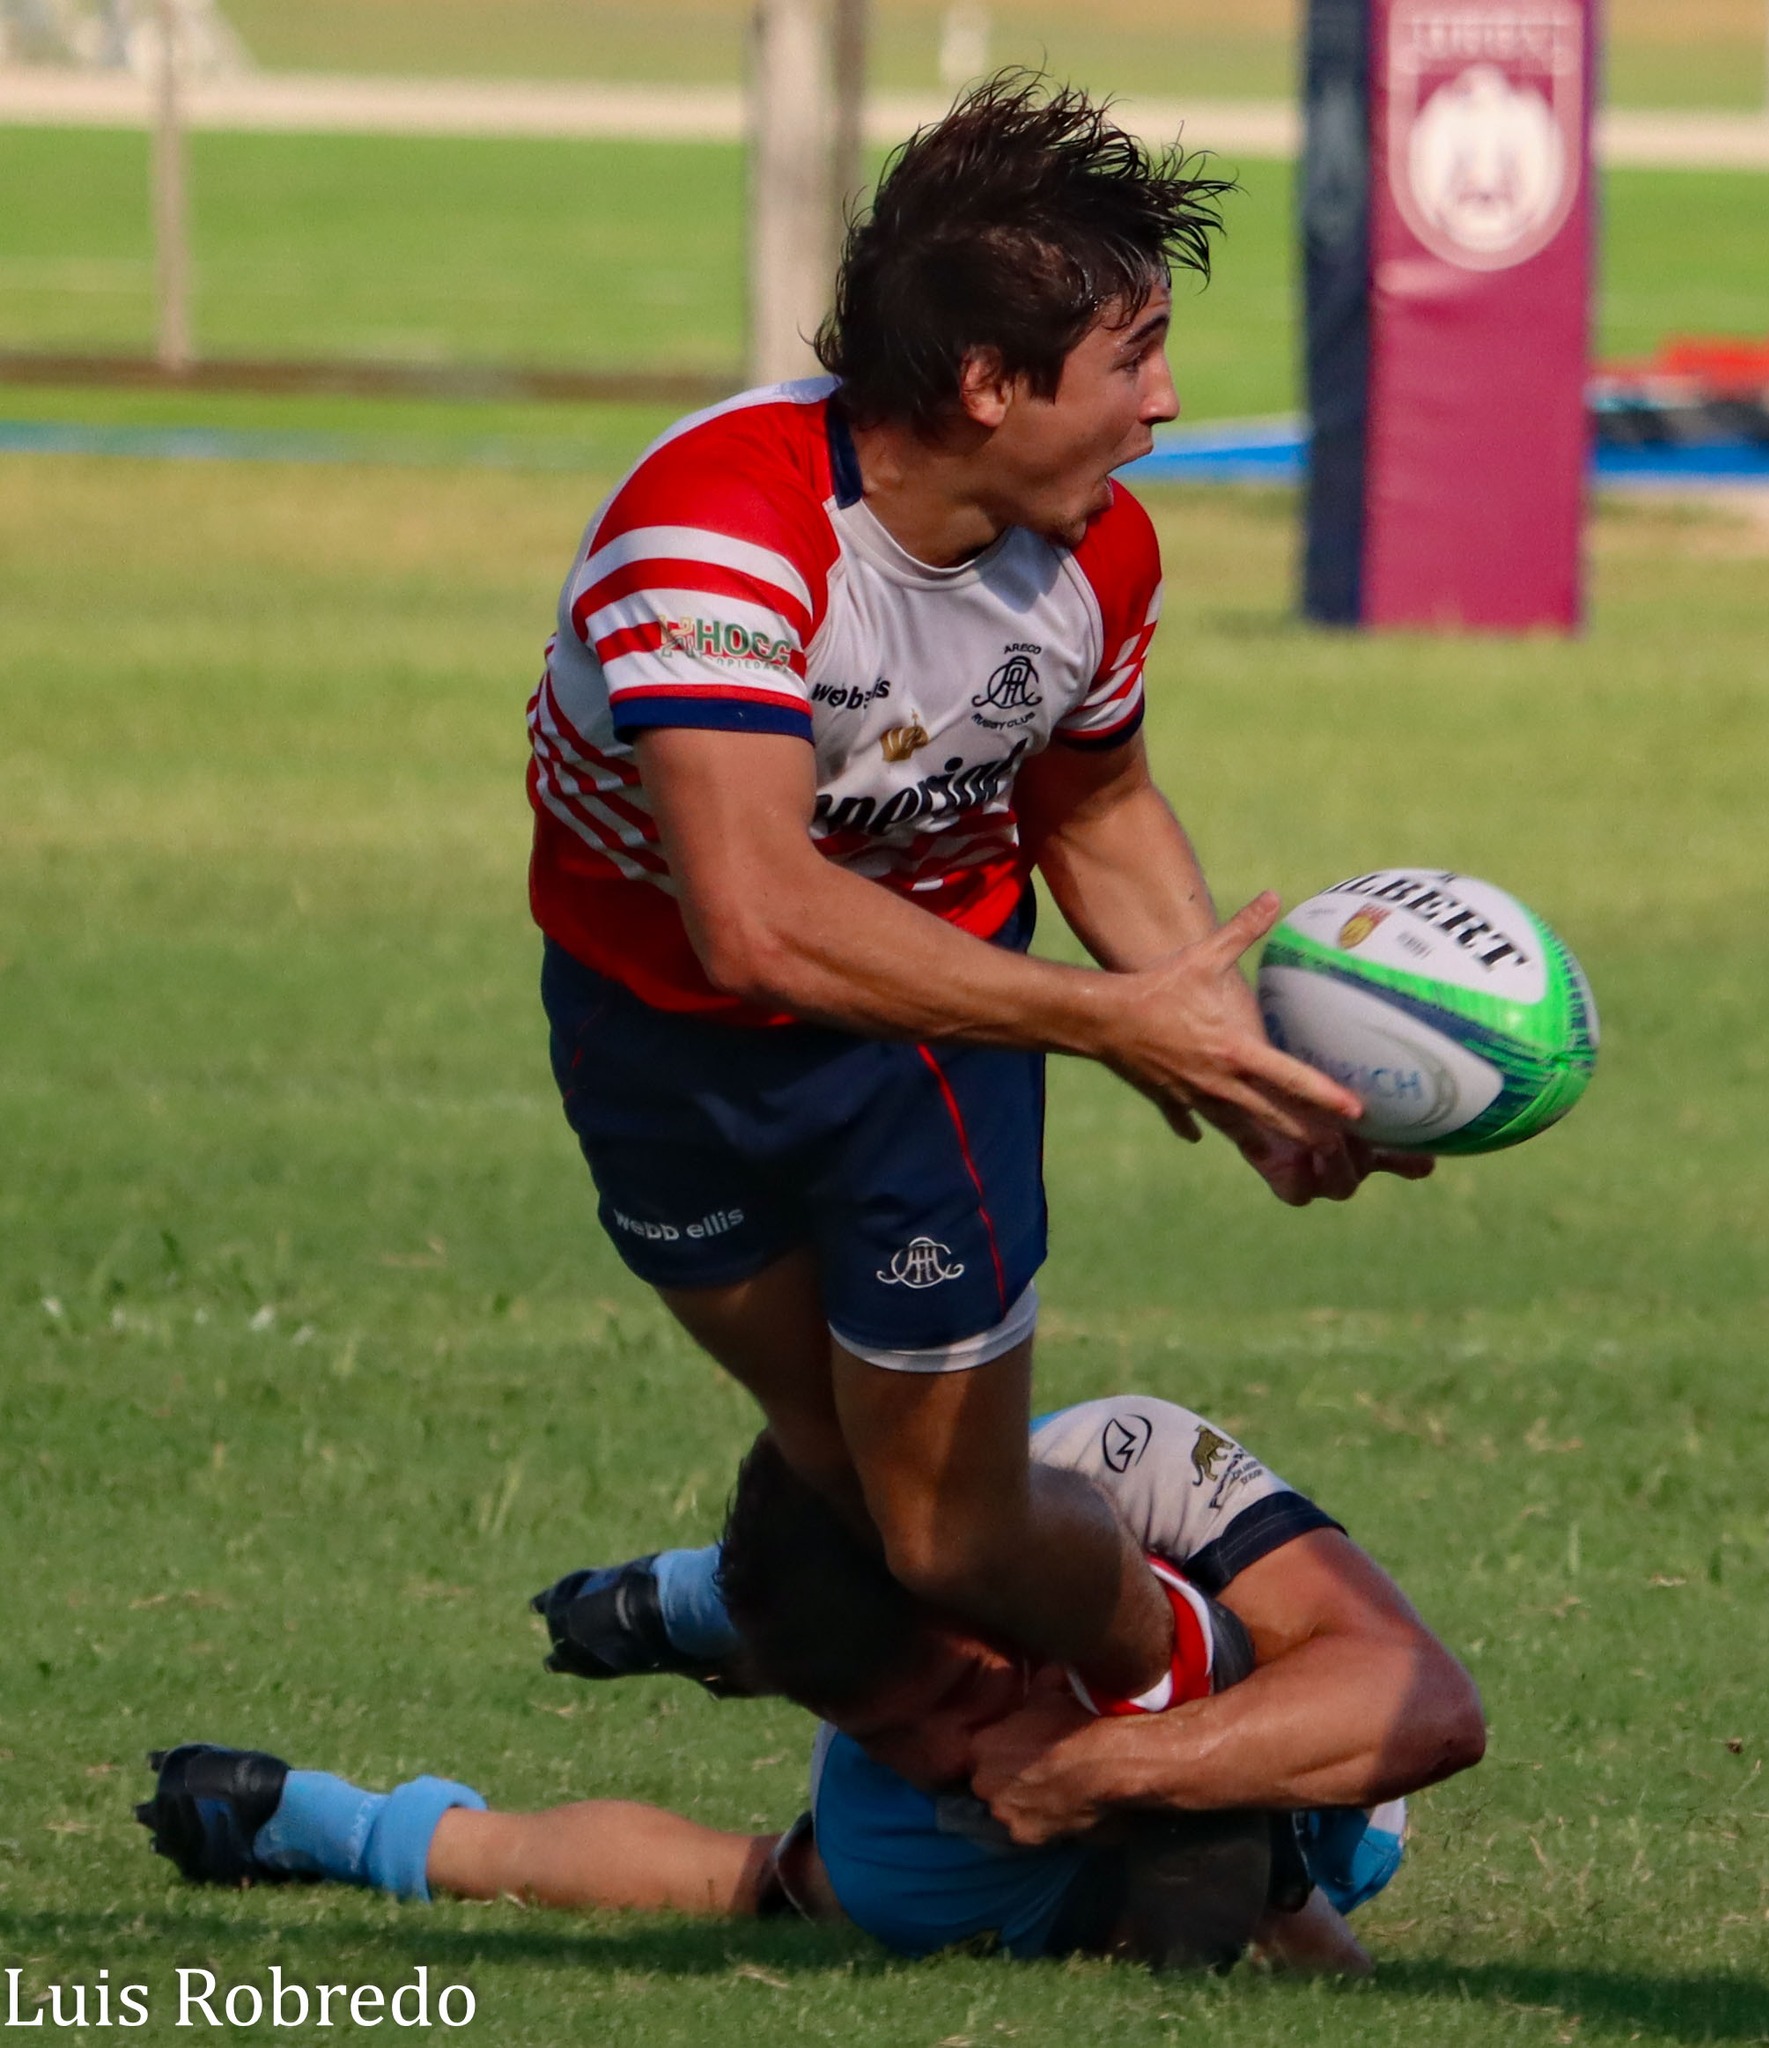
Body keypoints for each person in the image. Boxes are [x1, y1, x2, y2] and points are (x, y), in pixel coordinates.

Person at [528, 74, 1433, 1717]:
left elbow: (1093, 806)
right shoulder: (716, 539)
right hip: (657, 1045)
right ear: (986, 382)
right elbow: (760, 918)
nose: (1167, 401)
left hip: (928, 1048)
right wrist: (1116, 1025)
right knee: (853, 1490)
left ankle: (1198, 1697)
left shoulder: (1099, 553)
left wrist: (1246, 1069)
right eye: (1133, 356)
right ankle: (796, 1639)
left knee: (947, 1533)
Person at [137, 1398, 1484, 1972]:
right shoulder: (914, 1835)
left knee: (1197, 1682)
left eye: (956, 1707)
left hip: (1193, 1749)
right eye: (885, 1733)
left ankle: (695, 1597)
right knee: (795, 1874)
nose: (947, 1755)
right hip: (956, 1855)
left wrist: (1110, 1769)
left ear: (998, 1632)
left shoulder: (1121, 1459)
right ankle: (348, 1823)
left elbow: (1427, 1709)